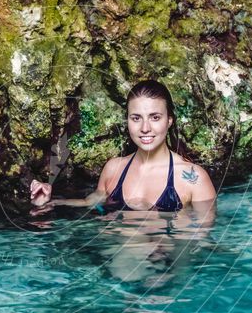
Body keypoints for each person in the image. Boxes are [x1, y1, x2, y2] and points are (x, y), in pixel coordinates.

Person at [30, 80, 217, 216]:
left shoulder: (194, 178)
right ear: (127, 121)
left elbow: (200, 241)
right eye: (136, 118)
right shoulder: (114, 168)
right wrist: (48, 203)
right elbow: (90, 202)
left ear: (169, 121)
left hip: (164, 265)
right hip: (114, 261)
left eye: (155, 117)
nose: (145, 128)